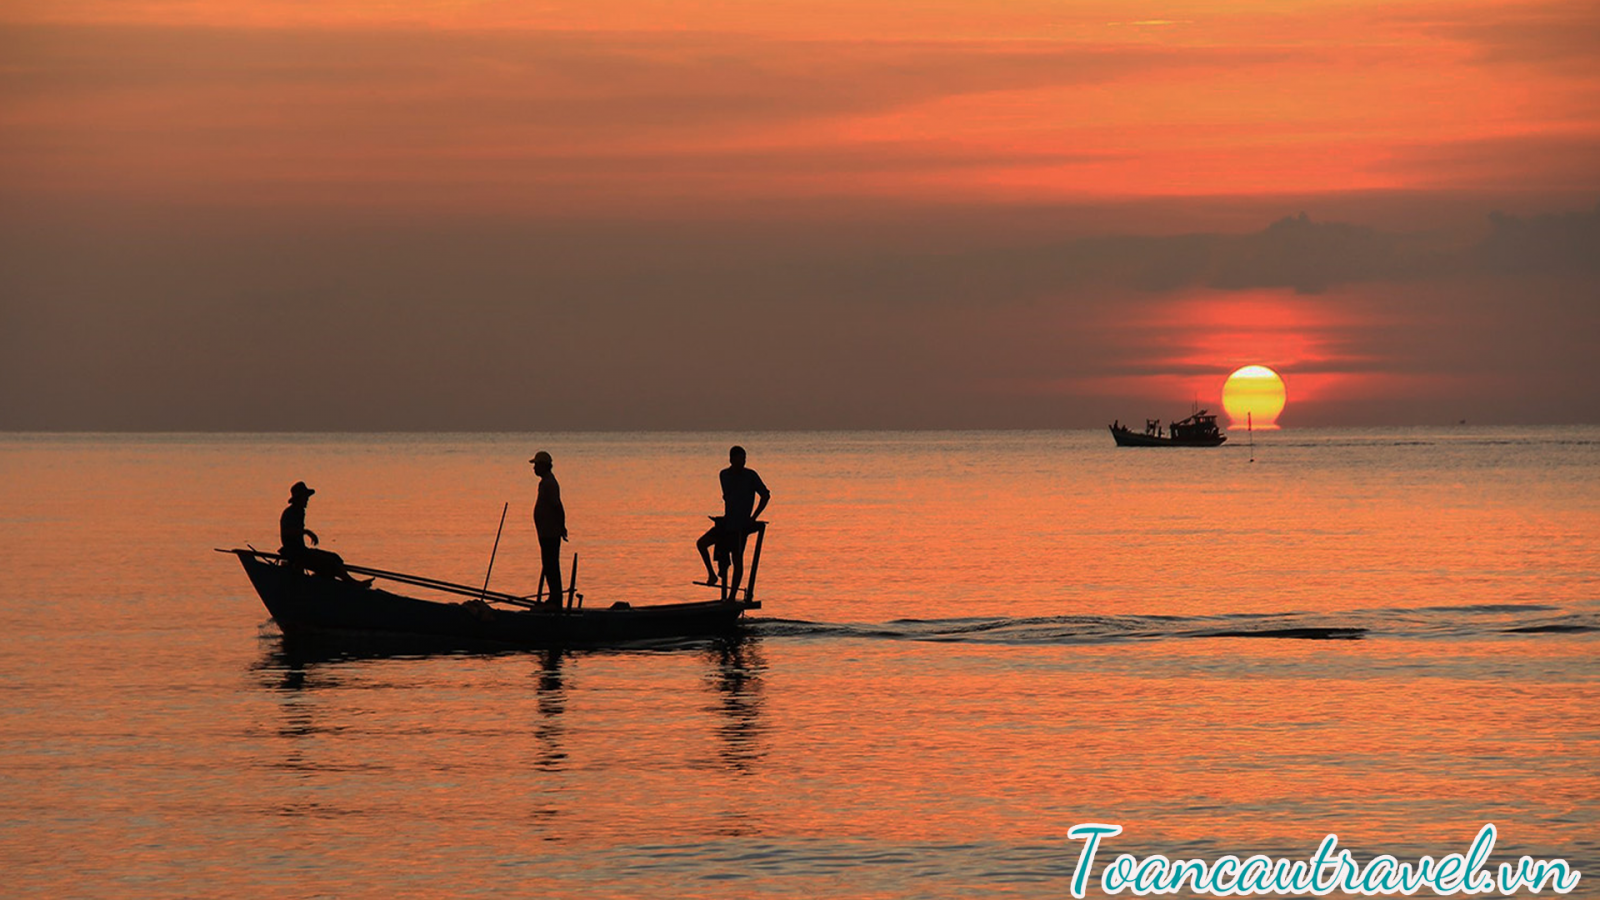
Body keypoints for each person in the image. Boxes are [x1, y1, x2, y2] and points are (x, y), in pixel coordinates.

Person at [699, 445, 769, 600]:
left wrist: (753, 517)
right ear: (731, 459)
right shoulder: (724, 475)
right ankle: (712, 575)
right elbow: (727, 496)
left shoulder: (750, 475)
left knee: (737, 559)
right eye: (739, 458)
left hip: (740, 525)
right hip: (727, 522)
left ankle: (731, 597)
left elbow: (765, 495)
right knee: (701, 544)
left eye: (744, 459)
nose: (742, 462)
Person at [278, 481, 370, 585]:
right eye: (305, 497)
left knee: (335, 558)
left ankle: (325, 580)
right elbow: (287, 532)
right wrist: (306, 532)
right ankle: (353, 583)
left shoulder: (299, 512)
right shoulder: (290, 513)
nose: (307, 499)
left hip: (302, 552)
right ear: (299, 498)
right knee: (330, 562)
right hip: (296, 553)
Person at [529, 450, 568, 607]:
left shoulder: (549, 483)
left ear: (544, 466)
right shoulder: (545, 482)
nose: (534, 469)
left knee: (551, 565)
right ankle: (554, 598)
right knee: (548, 565)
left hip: (550, 533)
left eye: (536, 465)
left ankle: (556, 600)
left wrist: (561, 526)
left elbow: (557, 506)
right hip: (545, 532)